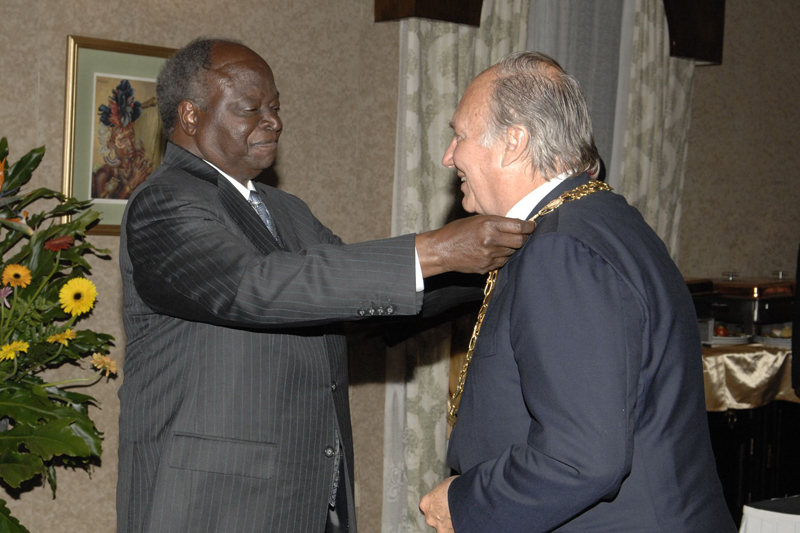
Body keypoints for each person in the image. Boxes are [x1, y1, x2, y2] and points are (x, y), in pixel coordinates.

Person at [116, 38, 534, 533]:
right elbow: (253, 287)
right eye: (251, 108)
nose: (273, 121)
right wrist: (436, 250)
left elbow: (357, 298)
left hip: (307, 497)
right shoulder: (163, 204)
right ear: (190, 115)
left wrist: (502, 266)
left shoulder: (285, 209)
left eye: (275, 107)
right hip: (211, 506)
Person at [419, 52, 736, 532]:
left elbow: (581, 456)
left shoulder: (561, 250)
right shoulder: (598, 218)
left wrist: (465, 504)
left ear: (513, 142)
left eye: (459, 135)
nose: (449, 156)